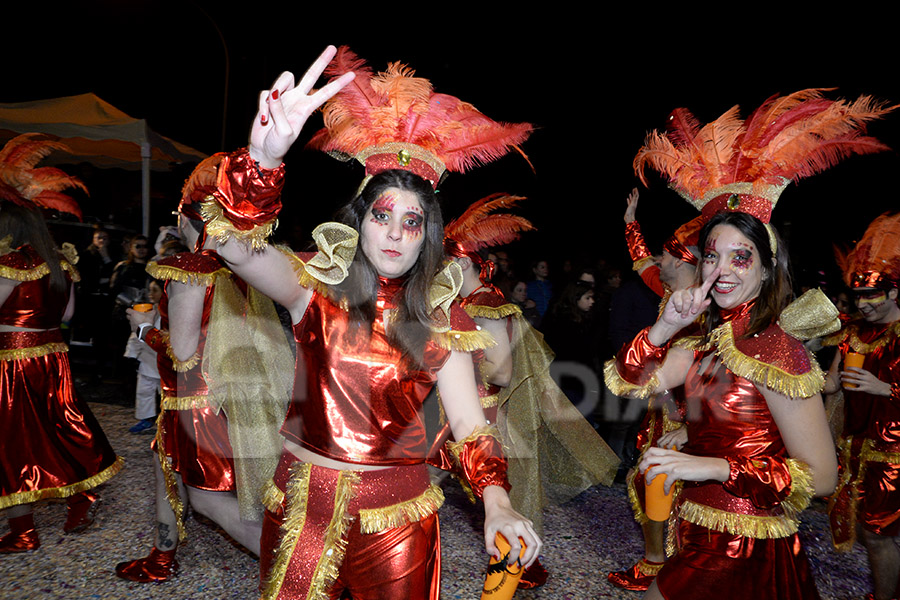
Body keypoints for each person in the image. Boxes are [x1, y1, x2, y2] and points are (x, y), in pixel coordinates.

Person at [206, 46, 540, 599]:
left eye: (411, 222)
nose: (393, 233)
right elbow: (234, 250)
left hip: (397, 522)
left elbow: (470, 426)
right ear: (360, 223)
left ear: (425, 237)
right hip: (300, 507)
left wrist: (498, 504)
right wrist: (261, 163)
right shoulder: (313, 292)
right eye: (382, 215)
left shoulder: (441, 320)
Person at [611, 88, 892, 599]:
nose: (721, 270)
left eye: (741, 258)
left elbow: (822, 476)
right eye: (713, 255)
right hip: (697, 532)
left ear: (766, 271)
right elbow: (630, 384)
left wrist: (712, 465)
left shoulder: (777, 350)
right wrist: (662, 330)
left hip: (742, 548)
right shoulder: (708, 342)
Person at [116, 156, 293, 582]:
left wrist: (143, 331)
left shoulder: (190, 268)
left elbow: (181, 349)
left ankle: (299, 570)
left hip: (197, 403)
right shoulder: (246, 268)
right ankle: (162, 555)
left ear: (188, 217)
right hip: (232, 394)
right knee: (167, 470)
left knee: (208, 500)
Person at [438, 195, 618, 588]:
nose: (438, 270)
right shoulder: (467, 303)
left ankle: (508, 577)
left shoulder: (485, 303)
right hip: (468, 412)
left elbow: (502, 370)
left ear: (463, 263)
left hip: (485, 416)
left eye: (445, 262)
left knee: (500, 499)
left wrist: (456, 365)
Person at [0, 134, 123, 553]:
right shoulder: (58, 261)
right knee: (61, 423)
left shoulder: (8, 263)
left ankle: (23, 530)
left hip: (13, 361)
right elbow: (68, 316)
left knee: (14, 437)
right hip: (53, 356)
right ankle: (80, 492)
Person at [607, 187, 702, 592]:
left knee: (667, 483)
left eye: (665, 257)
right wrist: (631, 221)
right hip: (660, 408)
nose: (656, 262)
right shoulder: (669, 293)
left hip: (688, 414)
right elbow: (639, 258)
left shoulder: (705, 309)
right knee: (648, 479)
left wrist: (689, 419)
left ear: (683, 263)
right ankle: (659, 561)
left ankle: (664, 565)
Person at [824, 212, 900, 600]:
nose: (865, 304)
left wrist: (882, 388)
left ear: (894, 293)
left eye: (872, 295)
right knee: (874, 533)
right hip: (858, 448)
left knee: (877, 533)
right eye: (859, 297)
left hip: (894, 451)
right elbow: (833, 382)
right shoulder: (853, 333)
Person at [122, 278, 163, 434]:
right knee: (144, 391)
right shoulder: (146, 311)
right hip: (146, 359)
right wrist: (131, 355)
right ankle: (146, 418)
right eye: (150, 290)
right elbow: (136, 333)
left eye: (155, 290)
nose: (151, 294)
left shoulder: (171, 312)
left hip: (163, 361)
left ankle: (169, 419)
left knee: (166, 394)